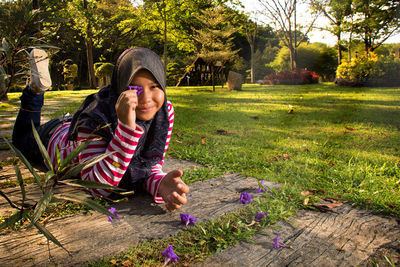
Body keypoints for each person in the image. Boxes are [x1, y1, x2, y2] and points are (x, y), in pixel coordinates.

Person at [12, 47, 189, 212]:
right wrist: (127, 128)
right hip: (52, 140)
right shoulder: (95, 119)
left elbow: (148, 167)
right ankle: (36, 91)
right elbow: (97, 189)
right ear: (120, 87)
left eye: (154, 86)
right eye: (134, 88)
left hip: (73, 127)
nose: (146, 99)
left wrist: (160, 183)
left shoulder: (164, 113)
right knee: (21, 140)